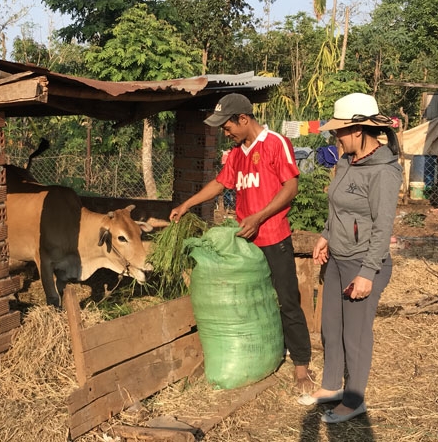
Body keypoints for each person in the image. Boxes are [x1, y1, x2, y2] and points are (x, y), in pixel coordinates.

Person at [169, 93, 313, 391]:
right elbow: (221, 183)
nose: (225, 132)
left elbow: (291, 186)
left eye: (227, 126)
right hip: (244, 240)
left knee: (287, 300)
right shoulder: (236, 153)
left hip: (272, 236)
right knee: (246, 300)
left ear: (243, 119)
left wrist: (259, 217)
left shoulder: (275, 143)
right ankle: (257, 352)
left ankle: (301, 367)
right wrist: (187, 205)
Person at [297, 93, 402, 423]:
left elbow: (382, 227)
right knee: (331, 326)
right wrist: (326, 235)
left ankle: (355, 398)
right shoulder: (346, 160)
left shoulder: (384, 172)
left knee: (355, 335)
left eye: (340, 131)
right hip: (337, 259)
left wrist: (368, 273)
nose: (335, 136)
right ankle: (331, 386)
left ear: (358, 130)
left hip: (363, 263)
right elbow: (338, 207)